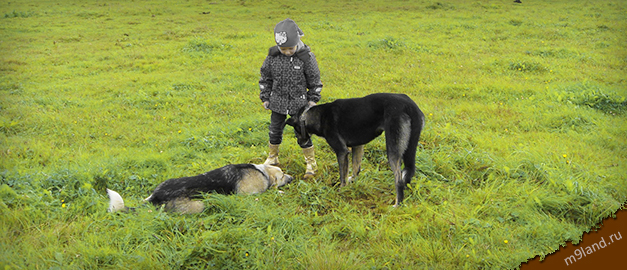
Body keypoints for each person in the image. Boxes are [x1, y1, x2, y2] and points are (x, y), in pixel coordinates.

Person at [259, 18, 323, 179]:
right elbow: (265, 78)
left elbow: (315, 81)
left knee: (302, 132)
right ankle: (273, 157)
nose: (287, 52)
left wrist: (312, 100)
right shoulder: (272, 57)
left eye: (291, 48)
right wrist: (265, 97)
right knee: (274, 130)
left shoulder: (306, 58)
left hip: (299, 104)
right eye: (283, 49)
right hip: (277, 102)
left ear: (298, 42)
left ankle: (310, 162)